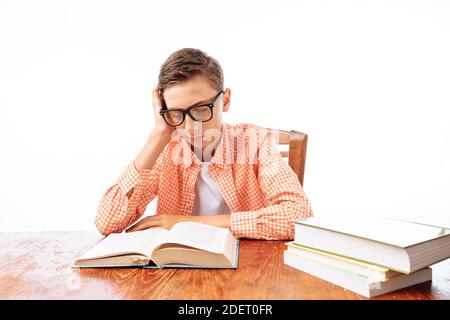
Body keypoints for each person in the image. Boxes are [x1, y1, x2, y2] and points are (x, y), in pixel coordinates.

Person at [94, 48, 312, 240]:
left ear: (225, 101)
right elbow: (107, 223)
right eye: (176, 114)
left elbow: (300, 215)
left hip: (246, 268)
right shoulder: (165, 149)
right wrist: (158, 135)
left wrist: (187, 223)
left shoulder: (254, 142)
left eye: (200, 110)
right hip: (179, 272)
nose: (190, 128)